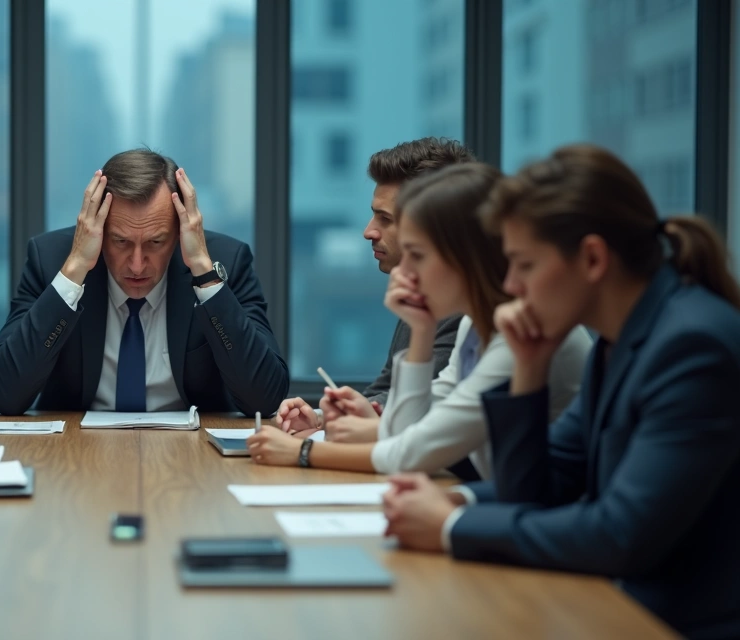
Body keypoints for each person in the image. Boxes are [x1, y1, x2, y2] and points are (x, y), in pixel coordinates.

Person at [382, 145, 740, 638]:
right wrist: (529, 371)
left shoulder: (692, 345)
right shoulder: (619, 341)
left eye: (524, 265)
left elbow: (620, 534)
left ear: (592, 258)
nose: (510, 283)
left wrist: (450, 527)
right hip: (607, 605)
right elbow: (542, 486)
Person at [248, 163, 591, 478]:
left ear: (464, 255)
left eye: (418, 255)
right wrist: (423, 331)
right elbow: (412, 428)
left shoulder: (520, 332)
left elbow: (413, 450)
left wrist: (303, 452)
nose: (406, 271)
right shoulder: (476, 324)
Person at [0, 148, 288, 416]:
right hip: (76, 456)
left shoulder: (226, 262)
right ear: (97, 230)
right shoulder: (51, 261)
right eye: (120, 241)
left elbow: (265, 397)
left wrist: (205, 276)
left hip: (193, 459)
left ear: (180, 231)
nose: (137, 264)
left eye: (155, 242)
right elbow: (4, 393)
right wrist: (74, 270)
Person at [275, 138, 472, 443]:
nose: (368, 231)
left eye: (385, 218)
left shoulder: (469, 311)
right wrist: (323, 417)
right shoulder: (424, 294)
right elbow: (390, 391)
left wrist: (304, 454)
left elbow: (420, 427)